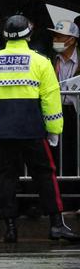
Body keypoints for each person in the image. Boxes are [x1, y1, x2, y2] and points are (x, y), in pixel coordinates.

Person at [0, 15, 79, 243]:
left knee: (6, 179)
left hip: (2, 130)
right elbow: (51, 100)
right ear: (28, 36)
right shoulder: (40, 61)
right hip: (31, 129)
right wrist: (54, 129)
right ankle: (56, 225)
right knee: (45, 175)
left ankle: (11, 229)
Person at [49, 20, 79, 209]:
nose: (55, 40)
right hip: (58, 113)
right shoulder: (51, 60)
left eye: (59, 37)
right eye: (54, 36)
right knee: (60, 156)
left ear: (72, 40)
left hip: (77, 113)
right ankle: (64, 200)